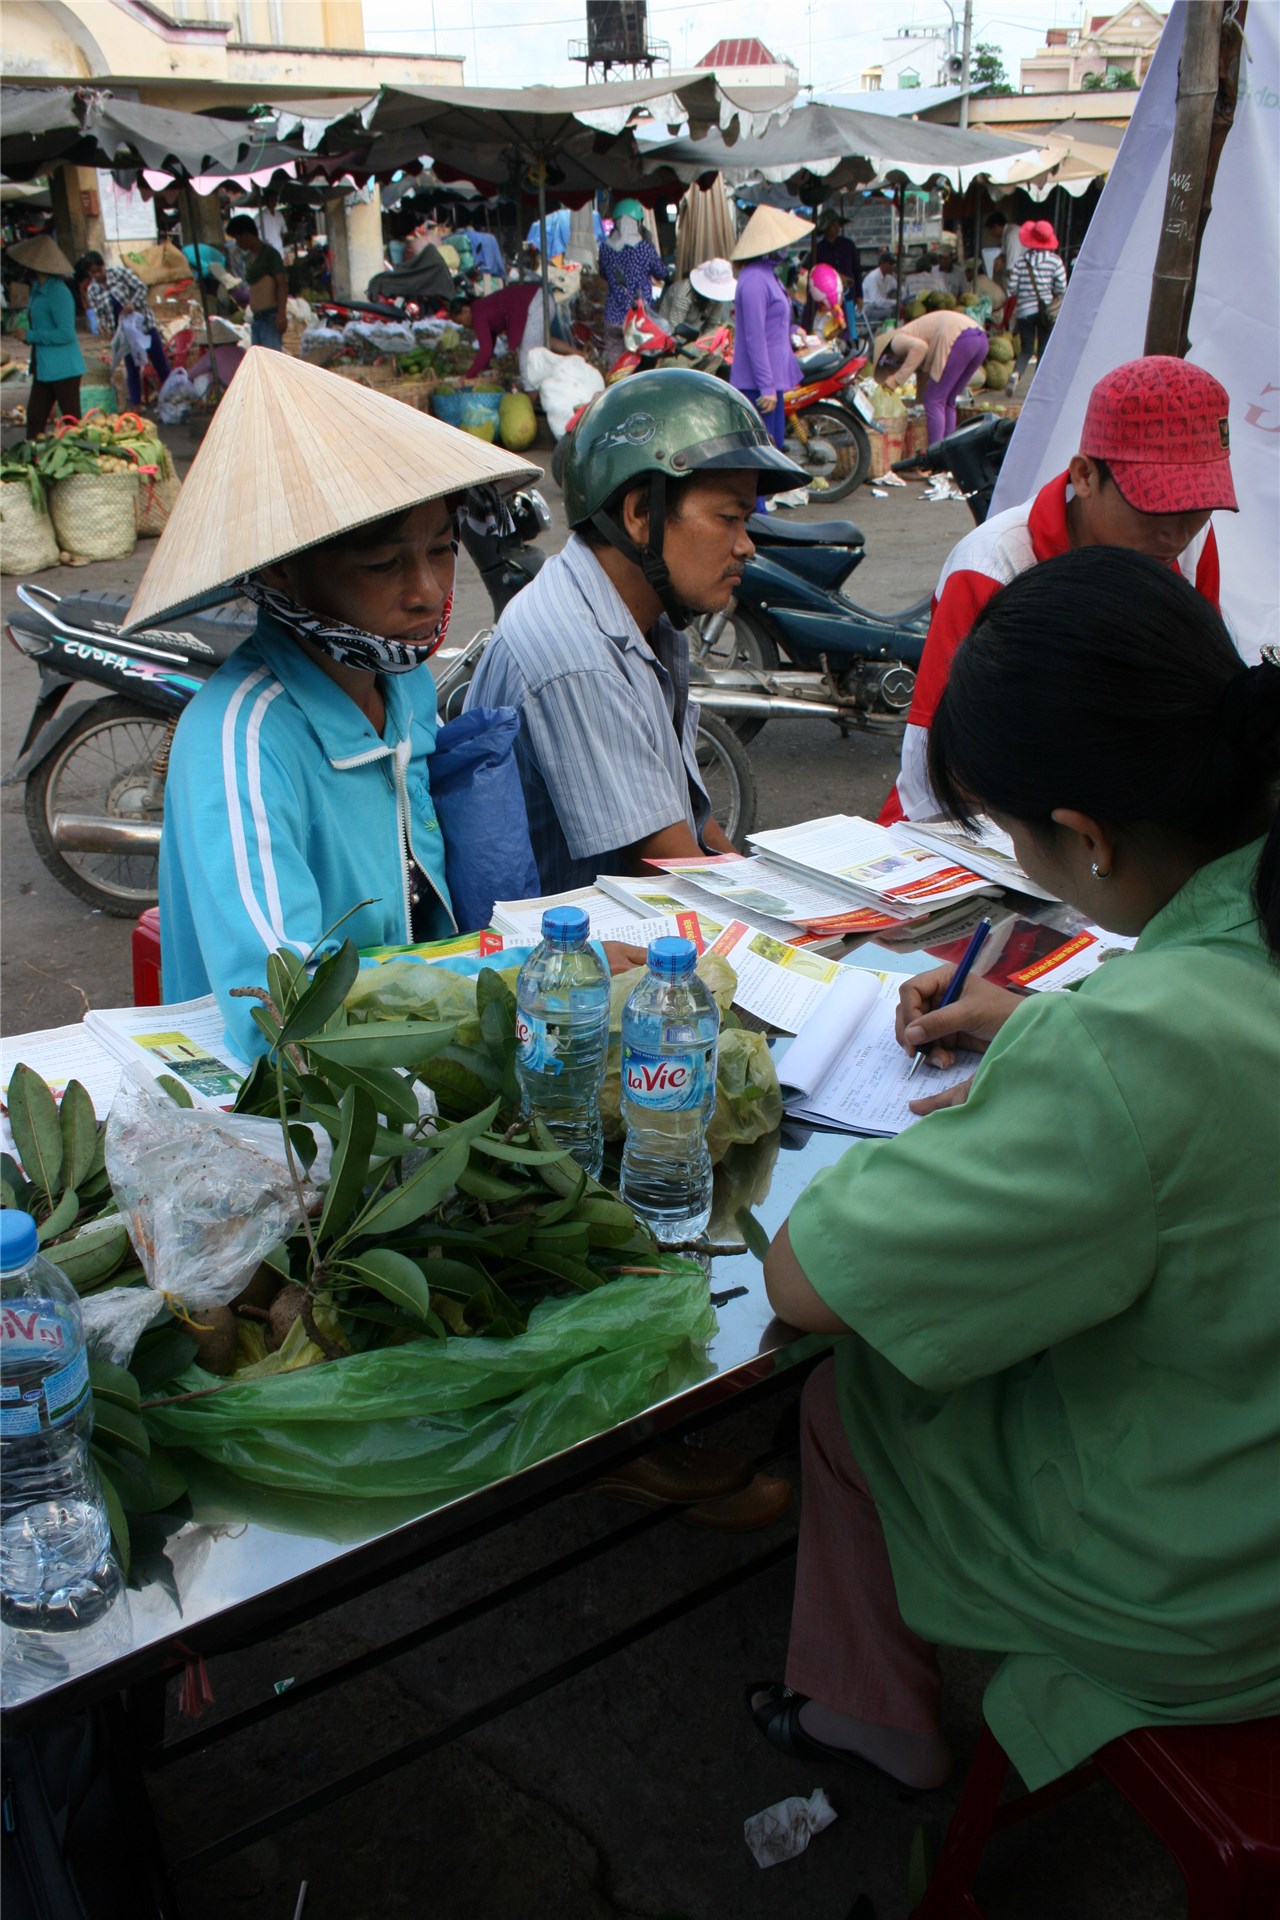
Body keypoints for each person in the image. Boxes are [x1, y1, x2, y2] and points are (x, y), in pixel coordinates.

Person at [751, 546, 1280, 1794]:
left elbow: (807, 1279)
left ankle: (877, 1721)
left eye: (1006, 833)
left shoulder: (1127, 1044)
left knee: (851, 1389)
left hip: (1204, 1595)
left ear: (1084, 839)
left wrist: (1039, 1066)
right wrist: (1031, 1024)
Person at [120, 348, 539, 1058]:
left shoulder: (402, 682)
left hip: (428, 1057)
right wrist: (504, 975)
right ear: (282, 568)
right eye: (383, 564)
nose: (429, 592)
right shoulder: (239, 742)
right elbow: (288, 1006)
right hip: (303, 1111)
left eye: (441, 550)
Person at [462, 369, 807, 893]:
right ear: (642, 514)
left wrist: (784, 902)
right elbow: (672, 867)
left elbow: (690, 823)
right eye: (730, 518)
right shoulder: (575, 655)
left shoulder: (642, 621)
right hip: (567, 965)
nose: (746, 546)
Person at [880, 355, 1237, 822]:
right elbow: (941, 772)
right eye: (1153, 507)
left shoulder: (1189, 544)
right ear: (1085, 476)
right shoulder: (992, 566)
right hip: (972, 831)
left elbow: (1202, 699)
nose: (1176, 535)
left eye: (1197, 507)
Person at [729, 205, 814, 486]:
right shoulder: (754, 279)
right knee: (761, 458)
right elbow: (754, 336)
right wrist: (766, 387)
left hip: (771, 382)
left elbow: (771, 324)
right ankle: (759, 514)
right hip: (757, 384)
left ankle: (763, 514)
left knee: (772, 451)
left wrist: (793, 329)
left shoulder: (767, 275)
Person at [872, 307, 988, 446]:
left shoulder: (895, 341)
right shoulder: (916, 334)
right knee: (948, 401)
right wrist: (918, 405)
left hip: (958, 338)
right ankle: (947, 454)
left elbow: (920, 348)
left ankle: (935, 457)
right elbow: (924, 377)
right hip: (980, 339)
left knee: (934, 401)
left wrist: (896, 380)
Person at [7, 234, 85, 436]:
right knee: (34, 419)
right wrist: (25, 335)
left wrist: (32, 335)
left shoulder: (59, 292)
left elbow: (66, 333)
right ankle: (34, 461)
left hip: (64, 368)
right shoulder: (36, 289)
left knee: (71, 423)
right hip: (43, 367)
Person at [74, 252, 170, 410]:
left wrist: (133, 303)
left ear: (104, 266)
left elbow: (141, 287)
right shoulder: (93, 290)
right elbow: (100, 314)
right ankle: (136, 405)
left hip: (144, 325)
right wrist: (104, 328)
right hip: (124, 334)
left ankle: (172, 396)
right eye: (93, 272)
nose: (98, 275)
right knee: (132, 368)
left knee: (160, 362)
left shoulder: (120, 274)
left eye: (99, 270)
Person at [598, 197, 665, 368]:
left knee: (616, 367)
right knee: (641, 369)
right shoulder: (644, 248)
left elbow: (603, 274)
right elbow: (661, 273)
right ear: (638, 222)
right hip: (639, 318)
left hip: (613, 317)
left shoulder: (605, 248)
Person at [451, 282, 545, 384]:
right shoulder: (480, 307)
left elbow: (485, 350)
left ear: (465, 311)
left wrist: (468, 375)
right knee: (543, 339)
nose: (463, 326)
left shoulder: (477, 314)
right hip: (539, 298)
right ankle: (566, 350)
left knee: (526, 362)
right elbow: (490, 343)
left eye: (461, 322)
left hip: (535, 303)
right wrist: (485, 367)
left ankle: (532, 396)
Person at [1006, 218, 1067, 371]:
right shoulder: (1055, 261)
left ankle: (1016, 374)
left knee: (1026, 350)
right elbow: (1062, 288)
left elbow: (1011, 288)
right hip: (1045, 312)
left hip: (1024, 312)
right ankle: (1035, 386)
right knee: (1042, 349)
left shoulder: (1021, 261)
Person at [225, 213, 288, 351]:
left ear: (245, 235)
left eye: (237, 238)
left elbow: (282, 284)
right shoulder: (249, 258)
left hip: (270, 316)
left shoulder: (270, 255)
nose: (237, 243)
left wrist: (282, 315)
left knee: (271, 362)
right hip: (258, 318)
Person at [659, 256, 735, 335]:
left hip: (694, 337)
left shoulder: (718, 297)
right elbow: (674, 329)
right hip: (668, 334)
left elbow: (712, 324)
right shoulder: (684, 294)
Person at [814, 207, 862, 302]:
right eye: (833, 226)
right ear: (826, 228)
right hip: (827, 299)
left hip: (848, 296)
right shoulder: (818, 249)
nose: (837, 228)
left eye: (838, 225)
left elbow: (857, 270)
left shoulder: (848, 245)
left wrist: (859, 295)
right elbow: (815, 273)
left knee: (848, 316)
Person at [860, 250, 898, 326]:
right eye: (890, 264)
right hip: (868, 309)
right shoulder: (873, 277)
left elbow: (901, 289)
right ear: (883, 264)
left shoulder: (888, 277)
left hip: (880, 308)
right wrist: (896, 302)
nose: (892, 267)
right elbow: (876, 301)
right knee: (892, 313)